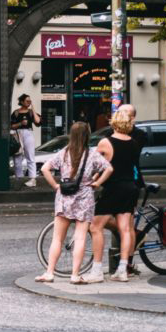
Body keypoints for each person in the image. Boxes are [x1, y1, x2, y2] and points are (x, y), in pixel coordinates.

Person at [37, 121, 112, 284]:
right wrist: (97, 183)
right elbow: (109, 168)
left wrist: (55, 185)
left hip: (64, 197)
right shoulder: (91, 154)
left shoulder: (64, 152)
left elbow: (44, 168)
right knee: (80, 238)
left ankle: (49, 273)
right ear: (87, 136)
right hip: (85, 196)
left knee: (57, 238)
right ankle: (75, 275)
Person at [88, 109, 143, 282]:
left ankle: (97, 270)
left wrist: (93, 180)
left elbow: (96, 165)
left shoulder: (106, 142)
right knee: (125, 229)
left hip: (113, 188)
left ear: (114, 122)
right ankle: (122, 270)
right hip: (130, 188)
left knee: (95, 227)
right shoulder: (134, 143)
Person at [11, 94, 42, 187]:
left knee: (30, 155)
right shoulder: (16, 112)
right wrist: (21, 123)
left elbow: (38, 122)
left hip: (28, 133)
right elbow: (11, 125)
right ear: (21, 102)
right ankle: (19, 178)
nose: (29, 102)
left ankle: (33, 179)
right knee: (17, 156)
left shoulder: (31, 112)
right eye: (27, 101)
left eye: (30, 101)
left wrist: (33, 108)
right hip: (18, 134)